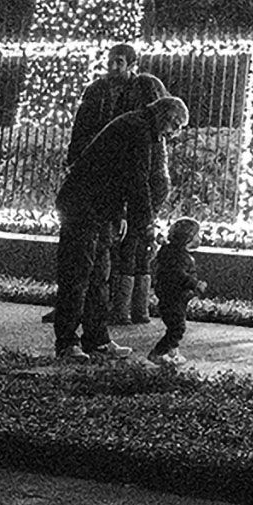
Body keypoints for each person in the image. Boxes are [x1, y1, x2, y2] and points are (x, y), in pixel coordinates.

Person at [52, 95, 188, 360]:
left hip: (99, 208)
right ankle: (67, 343)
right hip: (83, 207)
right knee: (78, 276)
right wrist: (146, 224)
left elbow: (121, 177)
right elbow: (136, 180)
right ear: (164, 116)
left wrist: (120, 214)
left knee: (99, 277)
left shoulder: (141, 127)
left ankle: (97, 340)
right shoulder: (137, 129)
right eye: (175, 125)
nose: (173, 133)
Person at [45, 44, 170, 325]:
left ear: (133, 64)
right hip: (97, 180)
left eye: (120, 62)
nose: (114, 67)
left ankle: (115, 312)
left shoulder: (143, 92)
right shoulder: (98, 91)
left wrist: (137, 215)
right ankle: (78, 316)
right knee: (87, 259)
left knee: (114, 254)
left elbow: (141, 172)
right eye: (111, 61)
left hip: (114, 181)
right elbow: (82, 127)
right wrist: (74, 157)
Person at [147, 216, 208, 361]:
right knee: (177, 328)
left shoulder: (172, 253)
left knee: (175, 325)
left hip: (175, 298)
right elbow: (179, 275)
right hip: (173, 297)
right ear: (187, 238)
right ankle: (158, 352)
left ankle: (172, 352)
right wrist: (195, 284)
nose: (200, 238)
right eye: (197, 235)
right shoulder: (178, 257)